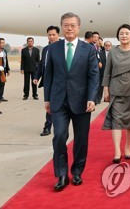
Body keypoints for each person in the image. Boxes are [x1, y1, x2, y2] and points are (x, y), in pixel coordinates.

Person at [43, 12, 99, 191]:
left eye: (72, 25)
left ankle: (76, 172)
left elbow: (93, 76)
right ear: (62, 27)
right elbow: (49, 75)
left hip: (82, 101)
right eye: (66, 25)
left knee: (81, 139)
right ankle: (61, 174)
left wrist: (92, 97)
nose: (69, 28)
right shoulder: (53, 48)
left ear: (78, 28)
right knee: (59, 136)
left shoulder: (89, 49)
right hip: (58, 101)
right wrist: (47, 99)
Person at [102, 24, 130, 164]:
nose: (124, 36)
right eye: (121, 33)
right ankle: (117, 152)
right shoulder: (113, 52)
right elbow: (107, 72)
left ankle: (127, 147)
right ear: (118, 36)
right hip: (116, 90)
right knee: (116, 122)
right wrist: (106, 89)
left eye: (127, 33)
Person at [33, 25, 60, 136]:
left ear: (58, 35)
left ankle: (57, 127)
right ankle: (48, 127)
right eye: (49, 35)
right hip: (48, 82)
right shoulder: (46, 49)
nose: (52, 37)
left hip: (60, 82)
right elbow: (41, 64)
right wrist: (36, 77)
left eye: (54, 35)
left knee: (58, 106)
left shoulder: (63, 47)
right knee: (49, 105)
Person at [0, 37, 10, 103]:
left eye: (4, 43)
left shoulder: (5, 51)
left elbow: (6, 60)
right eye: (1, 43)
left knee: (2, 83)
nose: (3, 44)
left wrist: (8, 69)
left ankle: (0, 96)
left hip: (4, 69)